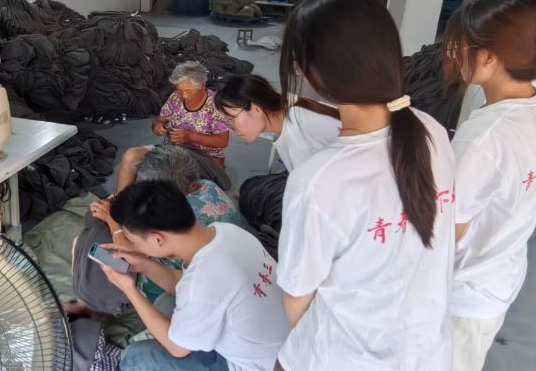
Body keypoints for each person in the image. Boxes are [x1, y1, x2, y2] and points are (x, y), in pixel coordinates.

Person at [276, 0, 456, 370]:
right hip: (426, 355)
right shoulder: (432, 131)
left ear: (309, 73)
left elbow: (296, 298)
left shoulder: (318, 181)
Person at [442, 0, 536, 371]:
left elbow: (447, 234)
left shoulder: (483, 139)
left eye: (460, 46)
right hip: (502, 272)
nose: (454, 54)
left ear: (488, 57)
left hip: (464, 292)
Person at [100, 180, 289, 371]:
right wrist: (145, 265)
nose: (134, 247)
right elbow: (184, 284)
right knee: (165, 302)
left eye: (134, 241)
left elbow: (177, 349)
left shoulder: (201, 283)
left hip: (260, 365)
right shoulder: (224, 231)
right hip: (284, 340)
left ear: (157, 239)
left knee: (134, 358)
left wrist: (129, 289)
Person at [71, 146, 245, 316]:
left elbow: (134, 252)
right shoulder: (206, 186)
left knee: (83, 243)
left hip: (163, 283)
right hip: (201, 270)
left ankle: (87, 305)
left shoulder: (170, 221)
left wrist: (112, 222)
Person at [115, 61, 229, 193]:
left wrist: (190, 136)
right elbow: (160, 119)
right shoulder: (176, 97)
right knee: (131, 155)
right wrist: (158, 126)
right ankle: (120, 199)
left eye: (189, 91)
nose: (184, 96)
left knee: (174, 177)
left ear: (202, 86)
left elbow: (222, 141)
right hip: (173, 152)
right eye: (180, 90)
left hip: (204, 158)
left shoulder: (215, 105)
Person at [214, 74, 340, 171]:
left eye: (231, 118)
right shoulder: (290, 111)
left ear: (256, 109)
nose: (230, 126)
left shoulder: (306, 125)